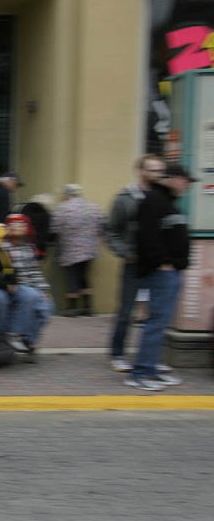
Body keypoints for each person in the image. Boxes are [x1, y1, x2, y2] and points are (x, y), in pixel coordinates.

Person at [125, 164, 194, 391]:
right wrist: (162, 263)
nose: (187, 185)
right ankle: (141, 372)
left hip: (170, 272)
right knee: (155, 322)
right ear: (173, 179)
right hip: (161, 273)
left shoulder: (166, 202)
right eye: (185, 180)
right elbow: (147, 236)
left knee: (159, 322)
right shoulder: (154, 200)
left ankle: (151, 369)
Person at [105, 154, 168, 374]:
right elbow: (111, 231)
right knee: (126, 311)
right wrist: (126, 253)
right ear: (140, 171)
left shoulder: (163, 197)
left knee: (157, 312)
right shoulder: (125, 199)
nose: (158, 174)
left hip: (159, 265)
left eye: (161, 170)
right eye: (153, 170)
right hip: (134, 263)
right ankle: (117, 353)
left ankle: (150, 356)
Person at [0, 213, 54, 360]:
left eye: (21, 224)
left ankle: (29, 341)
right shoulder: (2, 246)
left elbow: (34, 271)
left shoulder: (29, 247)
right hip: (14, 285)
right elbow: (5, 271)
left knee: (47, 307)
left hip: (31, 285)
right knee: (30, 296)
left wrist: (44, 289)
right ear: (7, 228)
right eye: (13, 224)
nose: (17, 227)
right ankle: (14, 334)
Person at [52, 184, 104, 316]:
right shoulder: (93, 207)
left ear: (67, 194)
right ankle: (88, 307)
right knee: (84, 276)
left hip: (70, 248)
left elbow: (54, 229)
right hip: (89, 248)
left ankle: (72, 308)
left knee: (72, 277)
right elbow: (103, 225)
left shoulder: (63, 208)